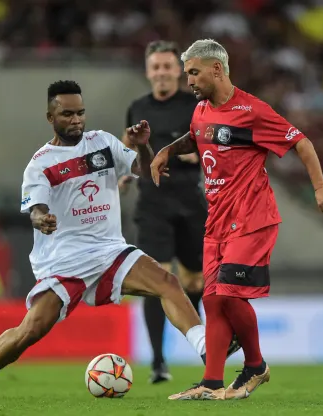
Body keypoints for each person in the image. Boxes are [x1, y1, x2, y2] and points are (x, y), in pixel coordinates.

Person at [0, 80, 238, 400]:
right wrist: (41, 218)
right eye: (67, 113)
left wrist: (142, 144)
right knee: (30, 331)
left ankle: (206, 349)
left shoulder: (102, 142)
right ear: (50, 117)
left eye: (81, 112)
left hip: (110, 250)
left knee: (167, 282)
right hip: (64, 259)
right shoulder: (40, 164)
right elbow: (36, 208)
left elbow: (144, 169)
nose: (76, 119)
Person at [151, 39, 323, 401]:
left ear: (216, 69)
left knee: (230, 295)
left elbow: (301, 142)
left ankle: (256, 366)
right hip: (216, 220)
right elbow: (196, 138)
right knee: (211, 299)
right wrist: (166, 151)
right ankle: (211, 382)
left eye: (193, 72)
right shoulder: (202, 110)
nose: (187, 80)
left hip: (251, 216)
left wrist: (320, 187)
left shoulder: (252, 110)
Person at [120, 40, 237, 384]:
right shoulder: (137, 107)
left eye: (168, 67)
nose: (161, 73)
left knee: (195, 279)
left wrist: (195, 154)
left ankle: (198, 337)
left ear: (179, 71)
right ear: (148, 72)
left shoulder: (197, 104)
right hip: (152, 203)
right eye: (155, 67)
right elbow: (128, 146)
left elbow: (221, 144)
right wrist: (123, 173)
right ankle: (158, 361)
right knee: (157, 279)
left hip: (190, 201)